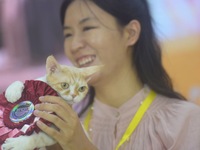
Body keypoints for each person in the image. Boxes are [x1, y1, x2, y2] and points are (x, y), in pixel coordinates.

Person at [33, 0, 200, 150]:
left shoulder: (183, 122)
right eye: (68, 34)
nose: (75, 44)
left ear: (130, 33)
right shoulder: (63, 127)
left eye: (88, 28)